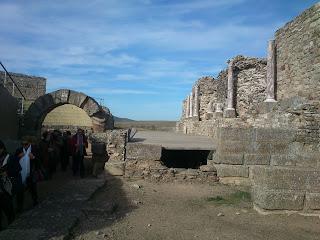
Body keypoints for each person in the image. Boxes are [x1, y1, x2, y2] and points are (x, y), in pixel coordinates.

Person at [16, 137, 40, 208]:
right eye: (22, 144)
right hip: (21, 173)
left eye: (25, 144)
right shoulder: (19, 150)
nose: (24, 145)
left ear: (29, 143)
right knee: (20, 191)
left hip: (31, 173)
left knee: (33, 189)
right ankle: (19, 206)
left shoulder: (34, 149)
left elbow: (39, 161)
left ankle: (35, 201)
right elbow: (13, 161)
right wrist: (18, 157)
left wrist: (34, 158)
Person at [0, 140, 16, 230]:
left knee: (8, 209)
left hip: (5, 189)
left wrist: (7, 173)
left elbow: (17, 169)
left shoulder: (9, 157)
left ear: (2, 149)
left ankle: (12, 227)